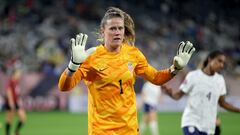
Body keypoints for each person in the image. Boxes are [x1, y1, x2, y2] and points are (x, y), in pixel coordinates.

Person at [58, 7, 195, 135]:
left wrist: (175, 69)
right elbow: (64, 87)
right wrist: (73, 65)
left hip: (129, 130)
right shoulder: (91, 57)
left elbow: (156, 78)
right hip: (101, 131)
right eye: (112, 28)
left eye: (120, 28)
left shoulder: (133, 54)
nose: (117, 32)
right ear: (102, 31)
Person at [162, 50, 240, 135]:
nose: (221, 65)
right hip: (191, 121)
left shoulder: (220, 80)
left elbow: (223, 103)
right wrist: (170, 94)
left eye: (223, 63)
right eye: (219, 61)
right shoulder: (193, 76)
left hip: (207, 126)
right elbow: (178, 95)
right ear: (210, 59)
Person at [4, 60, 26, 135]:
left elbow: (17, 94)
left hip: (16, 103)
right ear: (14, 74)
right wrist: (11, 102)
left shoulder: (16, 82)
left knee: (23, 118)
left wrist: (19, 101)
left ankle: (16, 132)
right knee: (9, 119)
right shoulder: (11, 81)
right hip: (11, 103)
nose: (19, 75)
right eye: (18, 73)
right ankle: (7, 133)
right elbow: (8, 91)